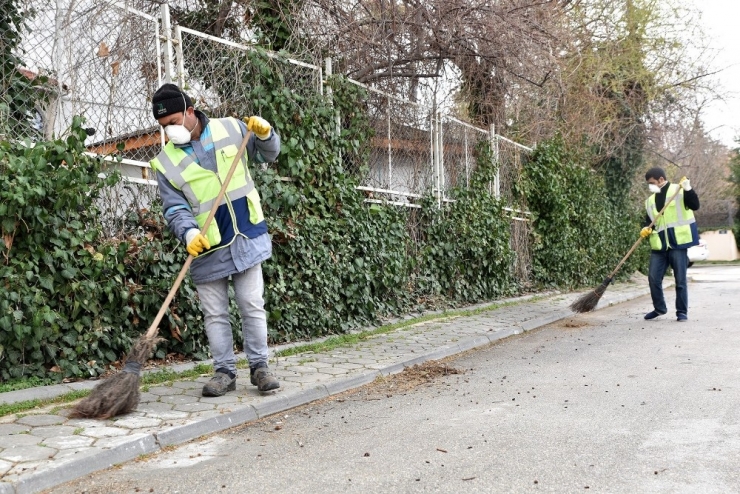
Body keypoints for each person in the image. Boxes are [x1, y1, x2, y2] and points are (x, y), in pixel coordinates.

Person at [149, 83, 280, 396]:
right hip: (207, 246)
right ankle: (224, 373)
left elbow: (269, 155)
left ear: (191, 112)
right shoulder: (166, 164)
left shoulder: (232, 129)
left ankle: (260, 368)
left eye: (173, 122)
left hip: (246, 233)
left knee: (251, 304)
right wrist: (189, 232)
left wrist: (265, 134)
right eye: (163, 127)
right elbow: (175, 207)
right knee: (215, 314)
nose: (169, 131)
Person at [640, 167, 700, 322]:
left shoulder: (678, 190)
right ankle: (659, 308)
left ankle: (681, 311)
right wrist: (645, 229)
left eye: (652, 183)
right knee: (653, 278)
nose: (650, 186)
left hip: (677, 243)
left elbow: (695, 205)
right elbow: (649, 221)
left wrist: (689, 189)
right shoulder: (650, 201)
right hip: (659, 246)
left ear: (660, 179)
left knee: (680, 280)